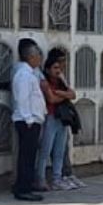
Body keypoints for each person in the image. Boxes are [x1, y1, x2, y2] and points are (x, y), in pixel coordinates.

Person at [39, 48, 82, 191]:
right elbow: (50, 99)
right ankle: (40, 178)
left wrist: (60, 93)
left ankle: (57, 179)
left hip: (62, 119)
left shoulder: (60, 80)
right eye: (56, 67)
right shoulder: (44, 81)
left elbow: (73, 94)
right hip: (50, 118)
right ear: (48, 68)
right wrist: (63, 95)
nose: (59, 70)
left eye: (60, 66)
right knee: (45, 151)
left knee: (60, 151)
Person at [10, 38, 46, 202]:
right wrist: (29, 119)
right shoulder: (24, 75)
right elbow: (22, 99)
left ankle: (24, 185)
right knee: (26, 156)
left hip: (31, 120)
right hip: (27, 122)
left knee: (29, 155)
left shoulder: (30, 73)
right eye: (38, 55)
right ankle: (23, 189)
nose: (40, 58)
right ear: (31, 57)